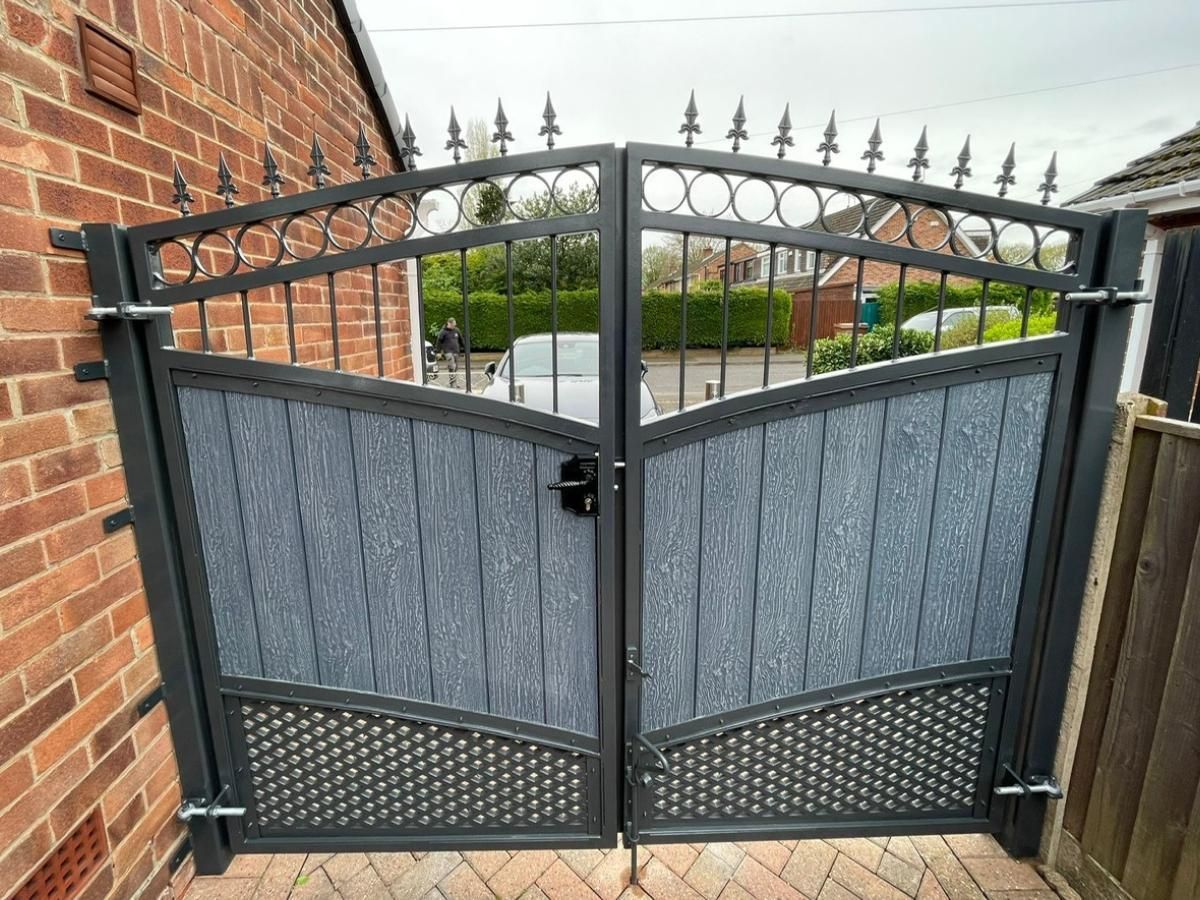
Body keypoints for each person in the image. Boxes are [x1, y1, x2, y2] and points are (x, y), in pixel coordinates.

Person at [435, 318, 466, 388]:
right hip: (448, 352)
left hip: (456, 352)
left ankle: (454, 383)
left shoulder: (457, 330)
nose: (453, 326)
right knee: (452, 367)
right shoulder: (443, 332)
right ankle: (453, 384)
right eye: (452, 325)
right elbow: (439, 342)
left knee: (456, 368)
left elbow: (461, 340)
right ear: (449, 323)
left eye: (454, 325)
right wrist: (438, 352)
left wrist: (465, 348)